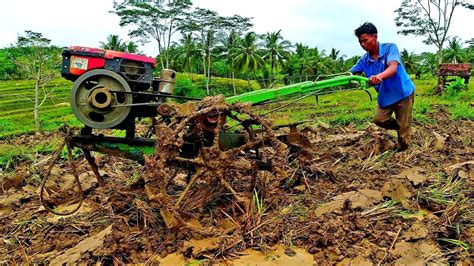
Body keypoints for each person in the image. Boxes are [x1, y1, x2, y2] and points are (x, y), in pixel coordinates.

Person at [350, 22, 415, 151]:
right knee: (379, 119)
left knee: (403, 136)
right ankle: (403, 125)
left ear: (375, 37)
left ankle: (404, 151)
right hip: (386, 95)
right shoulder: (364, 60)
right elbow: (350, 73)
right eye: (360, 42)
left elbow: (393, 68)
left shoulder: (390, 48)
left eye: (365, 40)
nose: (363, 44)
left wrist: (379, 76)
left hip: (403, 93)